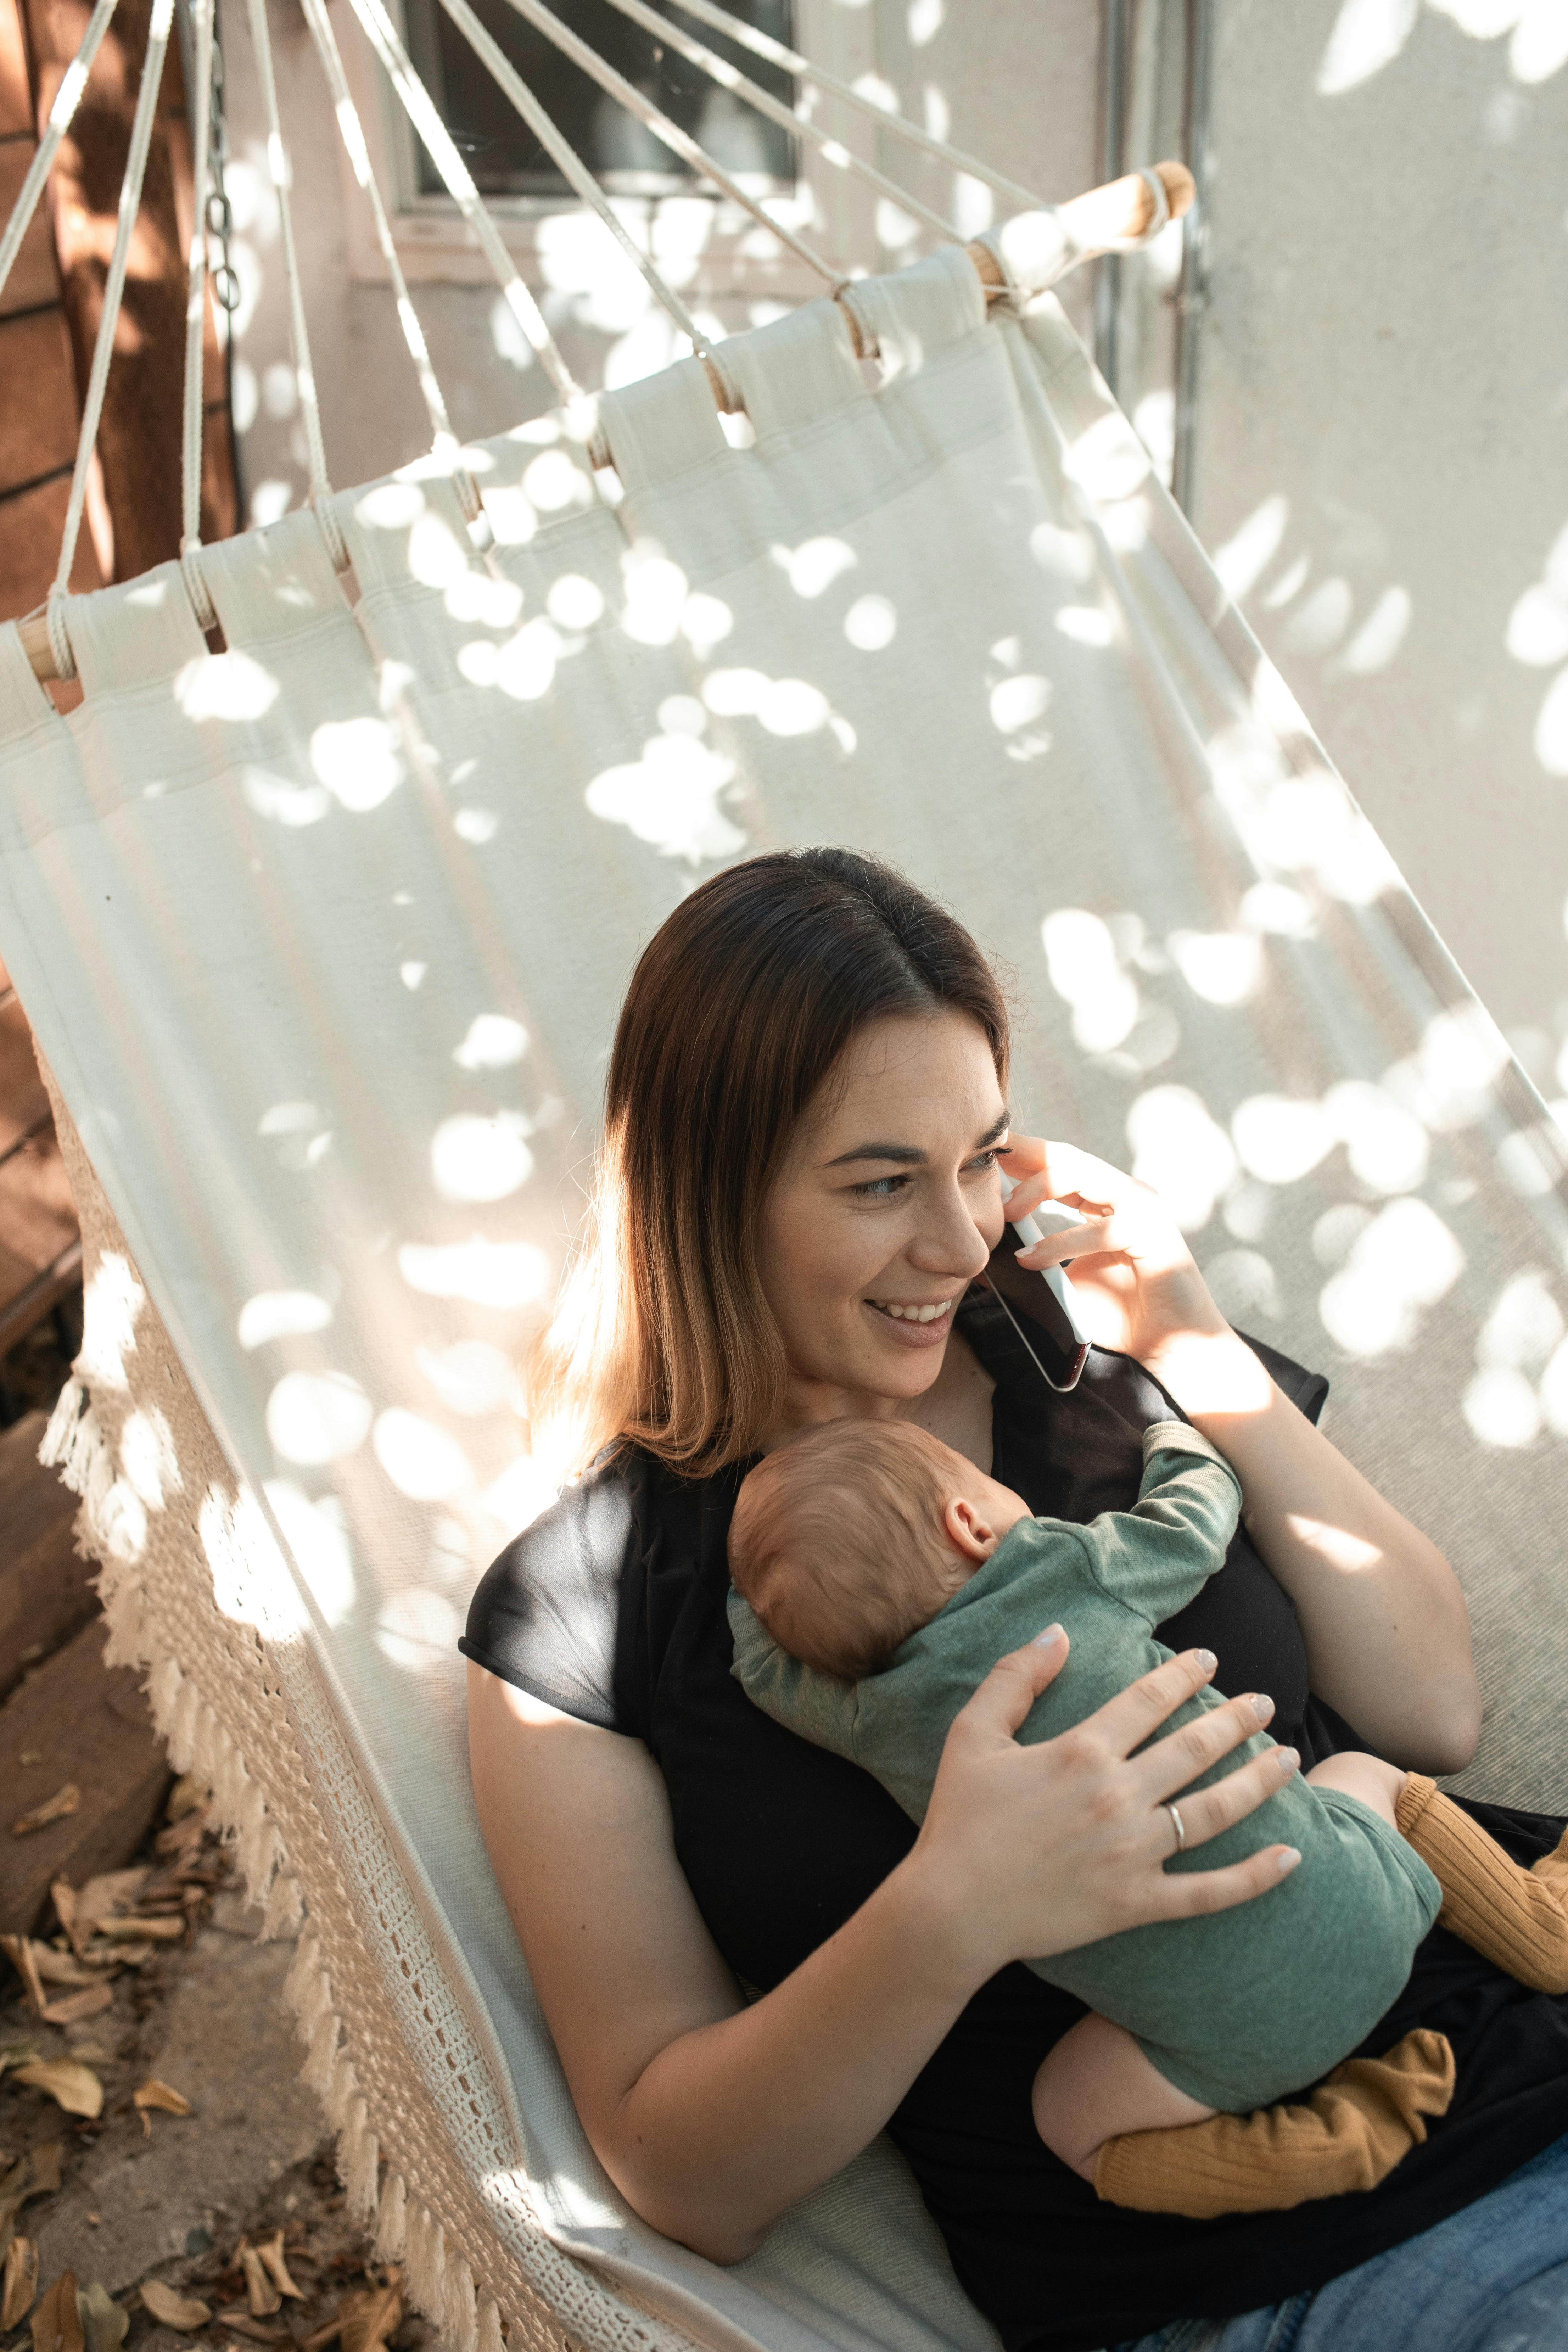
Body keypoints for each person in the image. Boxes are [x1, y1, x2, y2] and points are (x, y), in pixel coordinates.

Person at [461, 847, 1568, 2352]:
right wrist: (955, 1905)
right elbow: (684, 2178)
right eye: (880, 1183)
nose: (962, 1237)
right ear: (706, 1198)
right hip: (1270, 2267)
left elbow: (1430, 1711)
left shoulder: (1095, 1371)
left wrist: (1188, 1336)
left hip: (1512, 2026)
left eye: (982, 1157)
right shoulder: (588, 1608)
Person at [726, 1413, 1568, 2213]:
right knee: (1360, 1773)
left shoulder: (871, 1716)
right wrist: (1176, 1443)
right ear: (968, 1524)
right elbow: (1193, 1525)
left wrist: (766, 1590)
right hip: (1369, 1908)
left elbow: (761, 1671)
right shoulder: (1060, 1570)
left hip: (1228, 2050)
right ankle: (1539, 1925)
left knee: (1070, 2121)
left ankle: (1329, 2147)